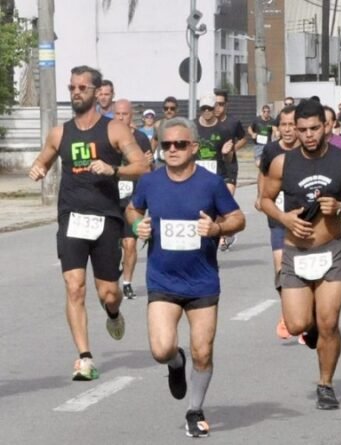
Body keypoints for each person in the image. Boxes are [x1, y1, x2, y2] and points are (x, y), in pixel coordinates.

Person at [126, 117, 245, 438]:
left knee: (203, 351)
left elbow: (237, 218)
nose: (173, 150)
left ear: (193, 147)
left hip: (202, 281)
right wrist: (139, 226)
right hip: (163, 279)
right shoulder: (151, 182)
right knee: (161, 350)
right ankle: (175, 364)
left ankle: (195, 409)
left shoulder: (210, 183)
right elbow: (133, 210)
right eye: (166, 145)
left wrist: (218, 228)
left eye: (180, 144)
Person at [27, 65, 148, 380]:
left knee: (107, 292)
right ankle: (84, 357)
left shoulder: (114, 130)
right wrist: (37, 170)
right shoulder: (60, 132)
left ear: (97, 92)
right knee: (74, 287)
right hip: (72, 217)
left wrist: (114, 170)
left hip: (106, 218)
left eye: (82, 87)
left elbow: (142, 167)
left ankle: (113, 312)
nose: (76, 92)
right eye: (72, 88)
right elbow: (43, 160)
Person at [260, 99, 341, 409]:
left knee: (329, 322)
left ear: (326, 127)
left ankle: (326, 384)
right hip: (296, 252)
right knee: (297, 325)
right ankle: (307, 328)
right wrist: (284, 219)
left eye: (314, 128)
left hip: (331, 251)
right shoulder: (283, 163)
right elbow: (265, 199)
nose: (308, 135)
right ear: (293, 130)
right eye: (302, 130)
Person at [254, 106, 300, 340]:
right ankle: (288, 312)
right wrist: (261, 197)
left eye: (292, 125)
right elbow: (263, 174)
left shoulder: (305, 150)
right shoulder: (271, 150)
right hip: (278, 215)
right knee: (280, 267)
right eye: (284, 125)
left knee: (302, 268)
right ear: (278, 127)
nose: (288, 129)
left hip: (303, 218)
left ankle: (304, 314)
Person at [113, 99, 153, 299]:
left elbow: (148, 171)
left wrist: (150, 164)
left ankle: (127, 282)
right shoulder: (107, 137)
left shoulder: (141, 138)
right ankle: (113, 271)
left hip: (132, 201)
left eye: (125, 114)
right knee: (112, 247)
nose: (121, 118)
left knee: (129, 244)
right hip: (109, 199)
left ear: (131, 116)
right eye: (117, 114)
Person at [194, 93, 239, 251]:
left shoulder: (223, 129)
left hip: (218, 175)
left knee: (218, 209)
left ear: (215, 109)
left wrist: (227, 153)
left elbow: (230, 159)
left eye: (209, 108)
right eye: (203, 109)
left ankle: (220, 235)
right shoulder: (192, 127)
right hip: (196, 176)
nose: (207, 111)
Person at [249, 104, 276, 169]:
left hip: (267, 145)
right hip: (258, 145)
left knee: (268, 163)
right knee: (258, 163)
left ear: (270, 112)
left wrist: (275, 134)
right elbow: (249, 128)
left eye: (268, 112)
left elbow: (275, 129)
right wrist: (252, 134)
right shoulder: (257, 120)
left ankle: (264, 174)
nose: (266, 113)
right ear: (262, 112)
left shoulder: (272, 121)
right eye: (264, 111)